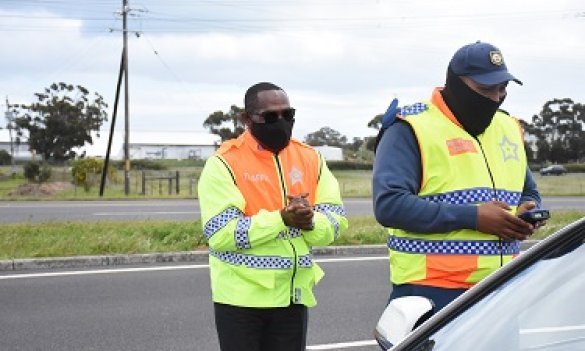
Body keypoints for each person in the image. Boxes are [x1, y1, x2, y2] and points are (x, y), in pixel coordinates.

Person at [372, 41, 543, 312]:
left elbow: (529, 192)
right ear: (456, 84)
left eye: (502, 89)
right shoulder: (411, 127)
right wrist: (473, 217)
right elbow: (389, 205)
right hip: (432, 291)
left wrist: (527, 213)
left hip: (502, 287)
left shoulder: (508, 127)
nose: (496, 98)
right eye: (485, 89)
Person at [198, 82, 348, 351]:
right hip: (240, 302)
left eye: (288, 115)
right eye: (270, 116)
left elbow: (336, 220)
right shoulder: (223, 163)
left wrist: (311, 222)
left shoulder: (311, 158)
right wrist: (281, 219)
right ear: (247, 119)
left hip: (292, 297)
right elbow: (221, 234)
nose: (281, 122)